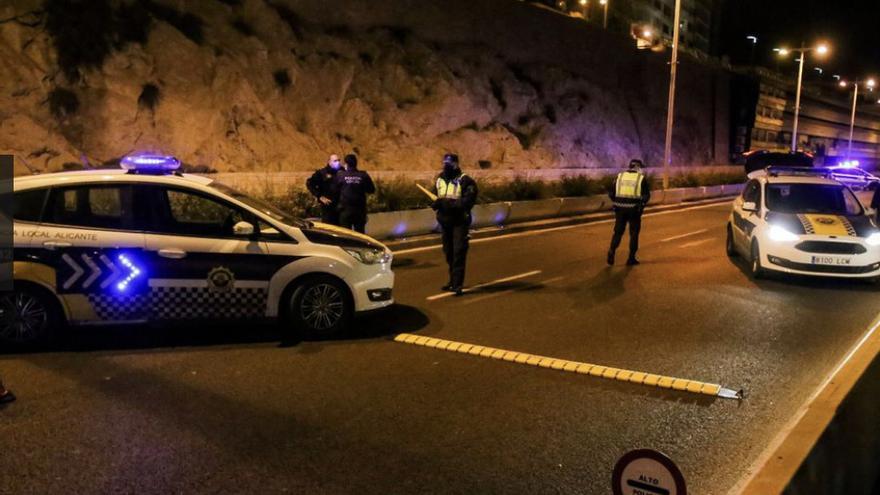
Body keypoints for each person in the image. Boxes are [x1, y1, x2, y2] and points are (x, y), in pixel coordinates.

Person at [432, 153, 478, 296]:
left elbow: (468, 201)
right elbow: (436, 195)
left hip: (460, 222)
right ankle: (452, 280)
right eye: (445, 163)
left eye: (449, 163)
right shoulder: (439, 179)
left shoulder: (466, 181)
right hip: (445, 222)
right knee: (449, 253)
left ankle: (457, 284)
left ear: (456, 164)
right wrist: (435, 203)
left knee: (459, 252)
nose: (446, 166)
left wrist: (449, 204)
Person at [607, 159, 651, 266]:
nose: (642, 170)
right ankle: (631, 258)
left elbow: (611, 194)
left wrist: (617, 202)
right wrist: (641, 204)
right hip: (634, 210)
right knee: (634, 234)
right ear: (637, 167)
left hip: (620, 210)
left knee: (618, 232)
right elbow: (646, 196)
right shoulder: (641, 179)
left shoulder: (619, 176)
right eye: (641, 167)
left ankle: (612, 250)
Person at [334, 154, 375, 233]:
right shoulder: (363, 175)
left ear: (346, 164)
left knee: (346, 235)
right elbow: (371, 190)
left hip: (345, 210)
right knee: (360, 235)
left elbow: (334, 190)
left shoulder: (340, 175)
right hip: (359, 210)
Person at [306, 154, 342, 225]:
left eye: (338, 160)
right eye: (335, 161)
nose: (337, 162)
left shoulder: (342, 171)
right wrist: (319, 196)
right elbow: (310, 183)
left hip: (341, 207)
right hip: (328, 207)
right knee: (329, 229)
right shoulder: (322, 173)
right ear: (329, 162)